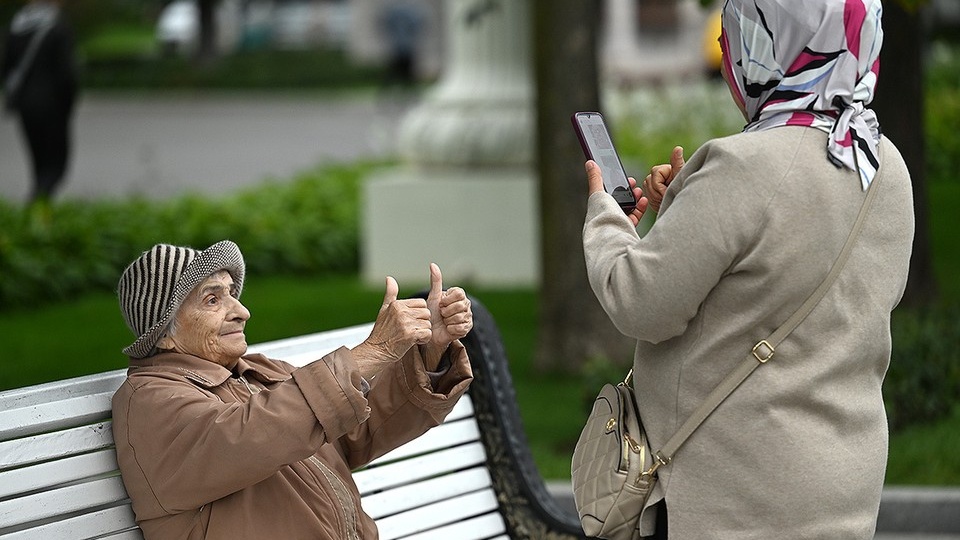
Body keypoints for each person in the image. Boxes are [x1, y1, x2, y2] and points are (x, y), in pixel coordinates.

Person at [580, 0, 914, 538]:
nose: (727, 49)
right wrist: (689, 209)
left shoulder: (742, 166)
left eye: (746, 32)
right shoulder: (883, 164)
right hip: (843, 484)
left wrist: (606, 218)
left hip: (733, 494)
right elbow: (788, 271)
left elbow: (638, 303)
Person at [111, 240, 474, 539]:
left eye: (232, 294)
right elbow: (249, 439)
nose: (242, 311)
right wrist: (374, 351)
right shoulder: (149, 401)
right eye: (212, 300)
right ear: (164, 334)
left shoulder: (260, 372)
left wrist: (431, 349)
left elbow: (355, 434)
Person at [1, 0, 78, 206]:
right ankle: (37, 204)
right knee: (55, 166)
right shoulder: (58, 27)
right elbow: (66, 75)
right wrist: (68, 106)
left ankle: (40, 210)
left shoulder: (16, 26)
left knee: (38, 163)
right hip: (53, 106)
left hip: (25, 105)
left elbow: (7, 68)